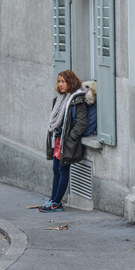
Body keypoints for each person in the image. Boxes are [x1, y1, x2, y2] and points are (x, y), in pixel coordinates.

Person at [41, 70, 88, 212]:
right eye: (59, 81)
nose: (60, 85)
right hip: (58, 138)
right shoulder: (61, 99)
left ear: (71, 82)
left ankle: (56, 202)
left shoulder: (77, 100)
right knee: (56, 169)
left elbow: (82, 123)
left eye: (63, 82)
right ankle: (52, 199)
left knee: (63, 169)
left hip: (66, 141)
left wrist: (70, 137)